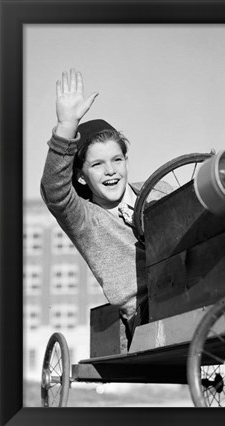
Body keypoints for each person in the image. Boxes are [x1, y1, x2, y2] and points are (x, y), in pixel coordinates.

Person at [41, 69, 161, 345]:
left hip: (194, 286)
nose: (111, 171)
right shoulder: (85, 218)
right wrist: (66, 127)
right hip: (146, 313)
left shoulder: (159, 189)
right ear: (81, 175)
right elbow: (54, 190)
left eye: (117, 160)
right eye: (97, 164)